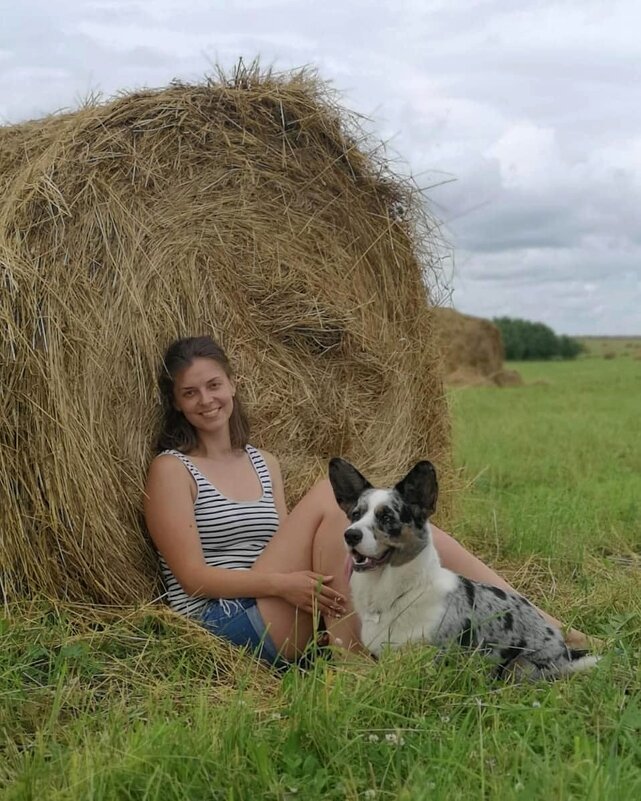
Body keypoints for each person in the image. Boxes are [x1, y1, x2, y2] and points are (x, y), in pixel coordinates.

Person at [144, 335, 588, 669]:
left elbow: (285, 544)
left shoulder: (265, 464)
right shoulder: (172, 469)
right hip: (222, 625)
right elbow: (193, 579)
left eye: (214, 385)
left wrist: (295, 585)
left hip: (280, 605)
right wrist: (282, 586)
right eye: (190, 393)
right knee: (331, 500)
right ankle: (354, 666)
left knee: (409, 531)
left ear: (233, 385)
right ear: (178, 404)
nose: (206, 400)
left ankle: (546, 627)